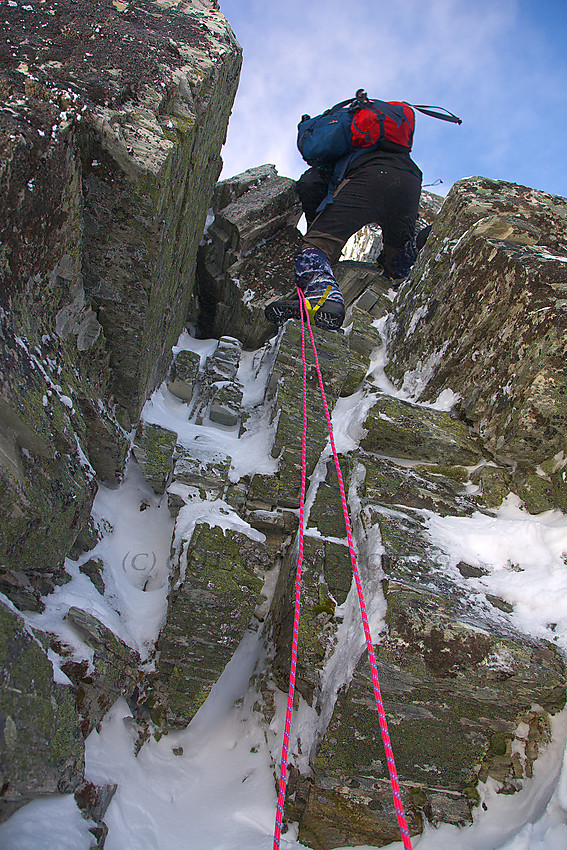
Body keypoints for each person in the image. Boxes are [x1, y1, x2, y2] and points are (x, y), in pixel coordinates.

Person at [265, 109, 425, 331]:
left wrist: (317, 234)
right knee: (394, 264)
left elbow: (311, 185)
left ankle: (323, 296)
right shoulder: (395, 150)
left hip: (368, 178)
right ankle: (418, 246)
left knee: (316, 245)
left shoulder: (342, 155)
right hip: (410, 181)